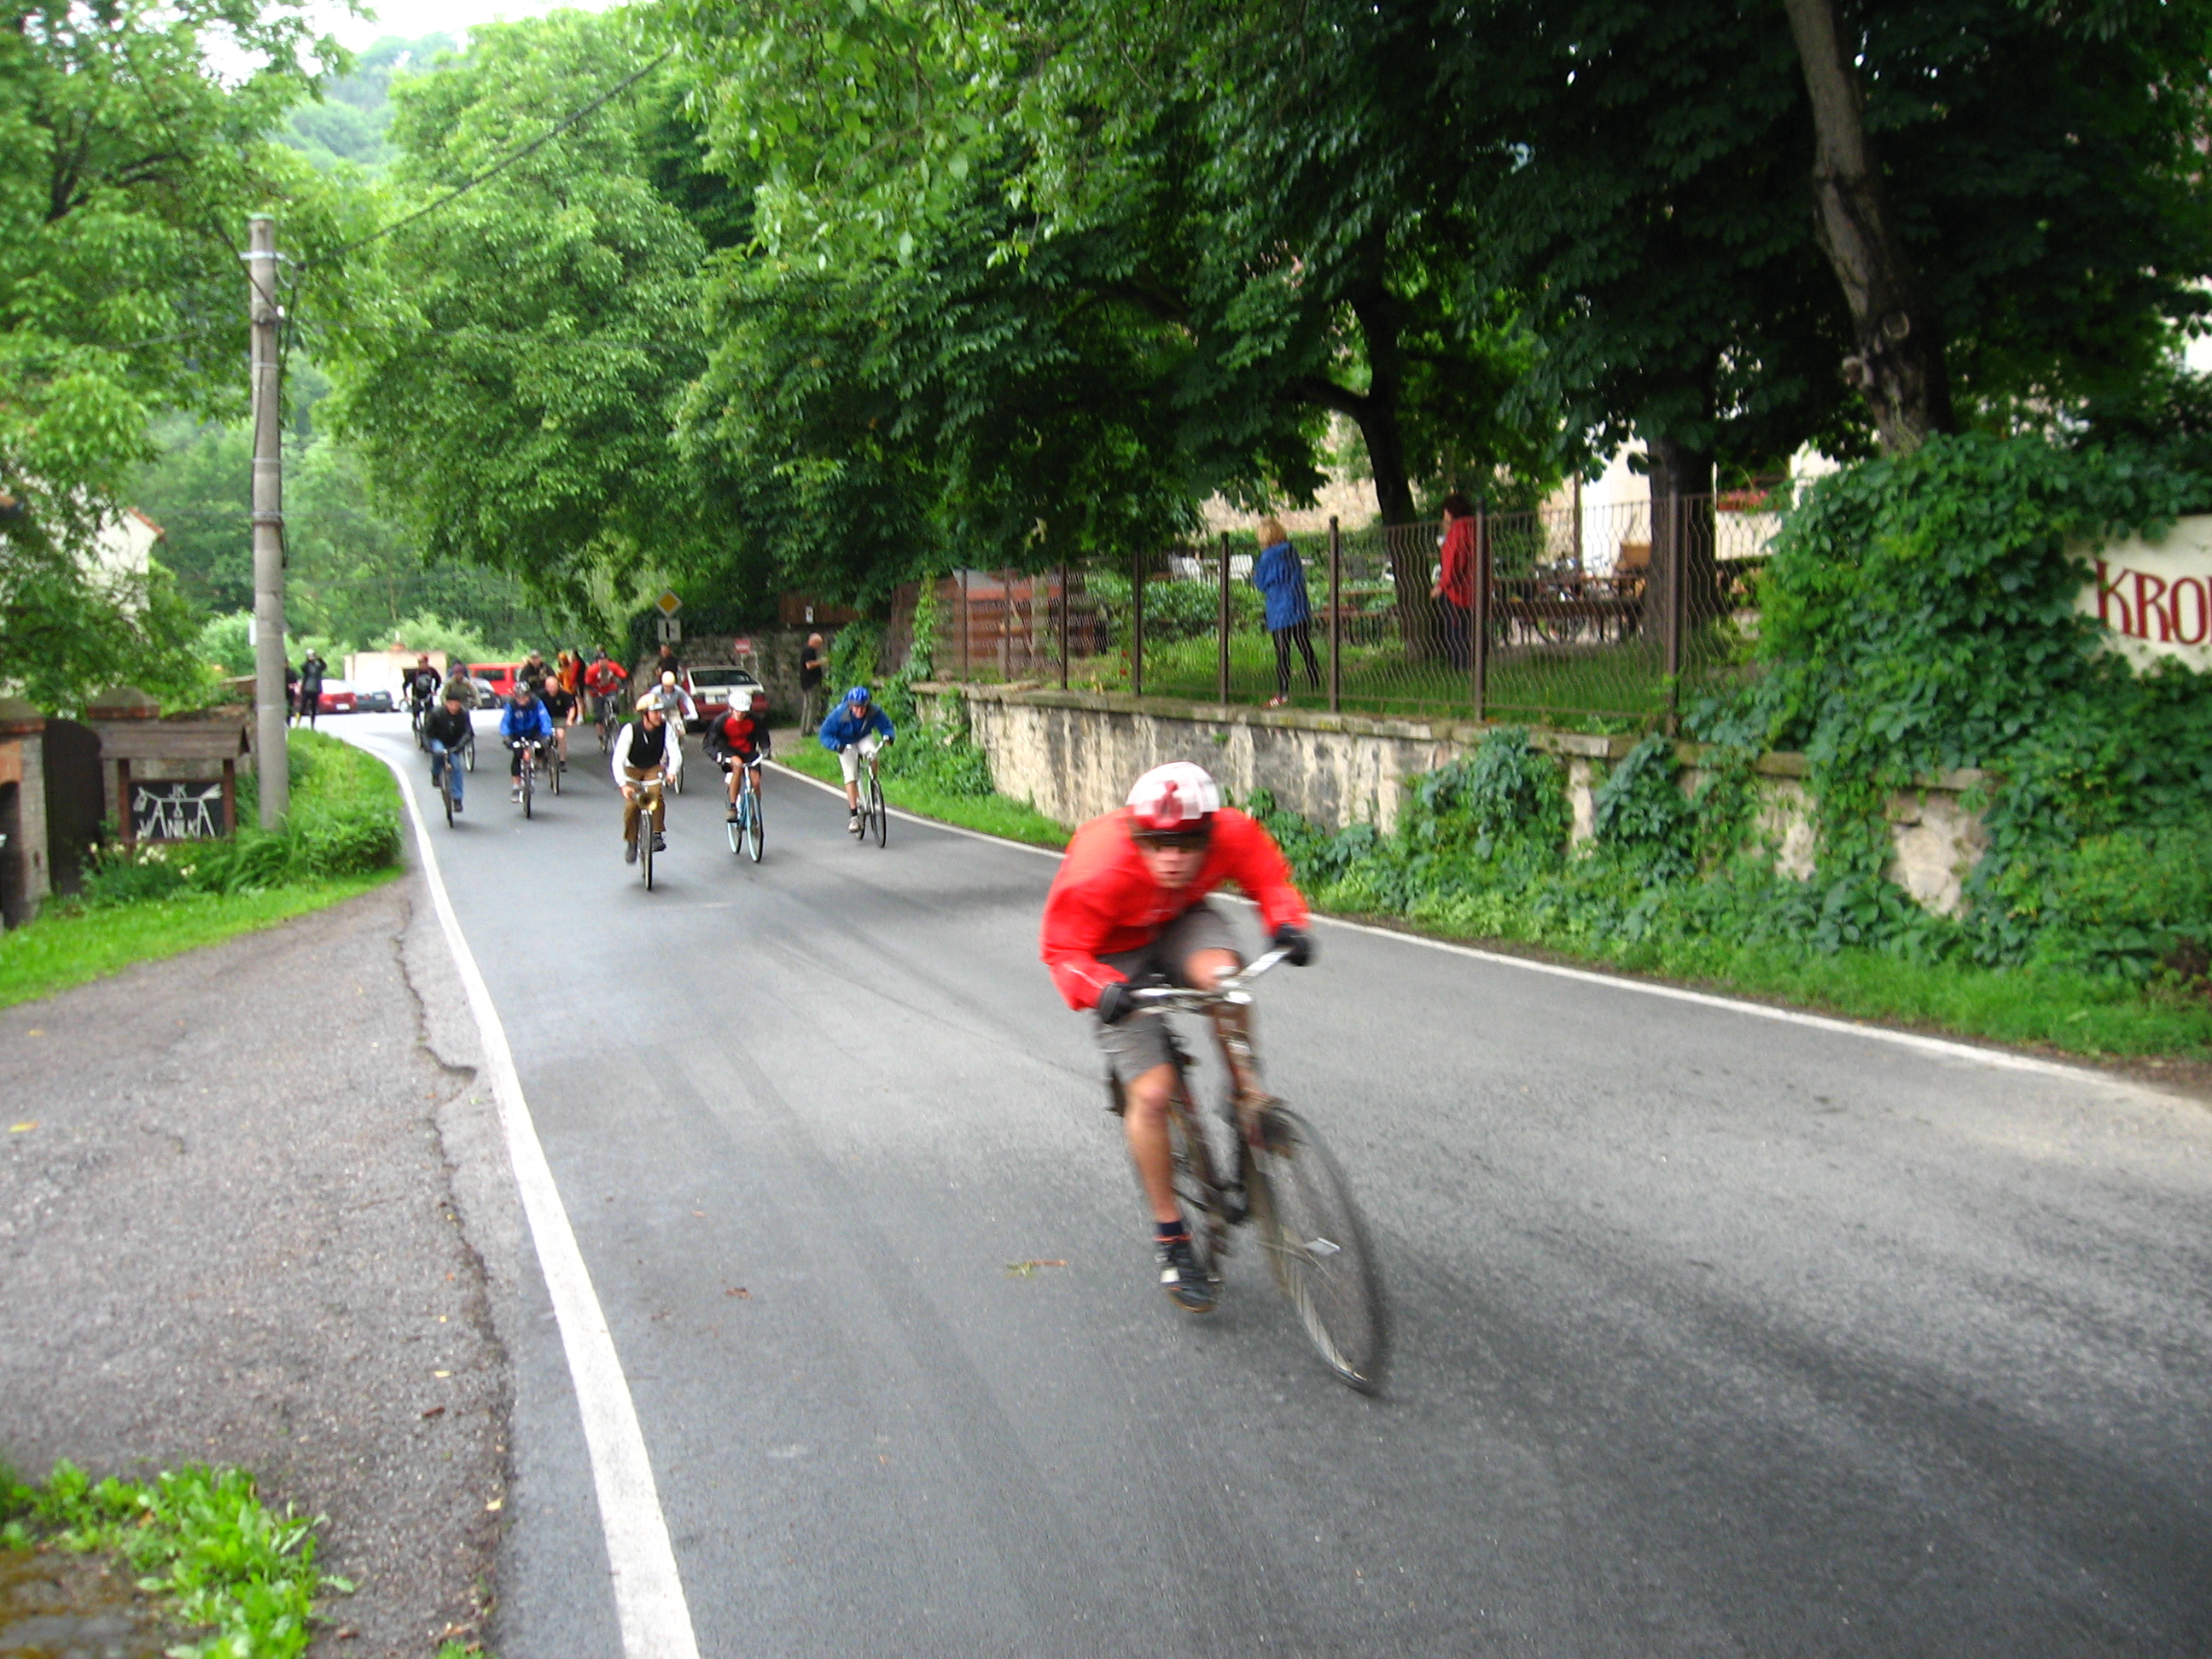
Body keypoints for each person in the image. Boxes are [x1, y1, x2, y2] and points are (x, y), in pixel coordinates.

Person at [1039, 761, 1313, 1312]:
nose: (1172, 857)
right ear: (1135, 833)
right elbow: (1063, 951)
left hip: (1182, 919)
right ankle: (1172, 1237)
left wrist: (1287, 922)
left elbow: (1270, 881)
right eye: (1156, 843)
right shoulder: (1098, 865)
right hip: (1112, 952)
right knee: (1153, 1092)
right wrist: (1100, 989)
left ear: (1208, 834)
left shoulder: (1231, 832)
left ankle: (1246, 1096)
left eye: (1187, 844)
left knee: (1228, 984)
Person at [1253, 517, 1320, 707]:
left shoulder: (1267, 557)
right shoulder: (1292, 551)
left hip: (1278, 608)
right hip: (1298, 604)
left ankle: (1283, 693)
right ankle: (1316, 682)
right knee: (1304, 644)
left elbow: (1260, 583)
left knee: (1283, 651)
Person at [610, 691, 682, 862]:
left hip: (653, 767)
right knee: (632, 806)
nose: (659, 715)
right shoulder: (630, 730)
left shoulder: (665, 728)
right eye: (655, 712)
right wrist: (623, 784)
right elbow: (618, 759)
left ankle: (656, 834)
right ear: (645, 715)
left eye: (660, 711)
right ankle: (632, 842)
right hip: (632, 769)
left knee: (655, 795)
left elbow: (675, 752)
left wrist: (672, 772)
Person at [818, 684, 894, 832]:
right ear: (850, 705)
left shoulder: (874, 711)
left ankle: (873, 782)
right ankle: (854, 817)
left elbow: (886, 725)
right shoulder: (839, 714)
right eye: (856, 707)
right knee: (850, 775)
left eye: (863, 707)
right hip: (845, 743)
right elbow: (825, 734)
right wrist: (836, 745)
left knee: (873, 752)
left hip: (863, 737)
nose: (860, 711)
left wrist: (889, 736)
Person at [703, 691, 772, 823]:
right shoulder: (720, 722)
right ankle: (732, 806)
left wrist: (766, 750)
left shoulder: (754, 720)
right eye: (737, 711)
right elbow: (708, 744)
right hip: (729, 751)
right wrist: (717, 756)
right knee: (738, 765)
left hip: (748, 752)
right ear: (730, 709)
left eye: (743, 712)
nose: (740, 715)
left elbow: (763, 736)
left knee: (755, 782)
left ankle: (754, 809)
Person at [1432, 492, 1477, 672]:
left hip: (1457, 592)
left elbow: (1454, 561)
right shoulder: (1477, 528)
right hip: (1476, 590)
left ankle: (1461, 668)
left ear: (1450, 512)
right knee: (1471, 631)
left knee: (1456, 633)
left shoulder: (1458, 531)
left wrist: (1441, 586)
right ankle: (1475, 668)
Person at [499, 682, 555, 800]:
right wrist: (506, 737)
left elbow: (545, 719)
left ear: (529, 695)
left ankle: (538, 764)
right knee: (517, 755)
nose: (522, 700)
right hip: (517, 733)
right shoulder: (511, 705)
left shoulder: (537, 703)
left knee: (541, 746)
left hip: (534, 731)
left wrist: (546, 735)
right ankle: (516, 786)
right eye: (519, 697)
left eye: (524, 697)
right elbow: (506, 722)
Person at [422, 684, 473, 812]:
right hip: (438, 739)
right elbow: (426, 732)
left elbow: (468, 732)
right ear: (446, 703)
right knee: (438, 752)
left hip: (454, 743)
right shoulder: (436, 713)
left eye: (456, 704)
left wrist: (460, 746)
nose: (454, 707)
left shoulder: (463, 714)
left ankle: (457, 799)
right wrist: (427, 746)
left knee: (456, 767)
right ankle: (435, 773)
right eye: (451, 704)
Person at [539, 672, 579, 770]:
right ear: (546, 687)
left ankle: (562, 760)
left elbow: (571, 708)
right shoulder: (541, 696)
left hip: (559, 718)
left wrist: (569, 719)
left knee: (561, 735)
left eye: (554, 686)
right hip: (545, 718)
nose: (552, 689)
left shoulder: (565, 695)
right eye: (550, 686)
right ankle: (542, 756)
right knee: (542, 736)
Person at [582, 649, 628, 729]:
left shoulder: (613, 666)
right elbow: (588, 684)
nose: (603, 662)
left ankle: (613, 717)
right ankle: (600, 733)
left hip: (610, 689)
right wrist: (595, 691)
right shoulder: (592, 670)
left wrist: (623, 687)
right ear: (597, 662)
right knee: (599, 715)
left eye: (605, 660)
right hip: (597, 691)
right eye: (601, 660)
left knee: (615, 703)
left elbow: (623, 676)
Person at [401, 654, 443, 722]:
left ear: (427, 663)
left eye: (424, 663)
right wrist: (406, 695)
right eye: (420, 663)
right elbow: (405, 685)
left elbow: (438, 680)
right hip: (416, 695)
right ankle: (415, 722)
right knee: (416, 711)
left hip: (427, 695)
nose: (422, 665)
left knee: (429, 712)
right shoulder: (414, 673)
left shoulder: (431, 671)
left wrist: (435, 690)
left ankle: (428, 724)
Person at [798, 632, 826, 731]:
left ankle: (804, 728)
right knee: (812, 706)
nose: (819, 646)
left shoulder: (806, 650)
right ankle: (808, 729)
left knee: (807, 706)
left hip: (805, 681)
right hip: (812, 681)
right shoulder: (810, 651)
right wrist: (822, 661)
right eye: (819, 644)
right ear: (814, 642)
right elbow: (809, 665)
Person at [297, 649, 328, 729]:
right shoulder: (306, 666)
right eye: (310, 655)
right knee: (302, 707)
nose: (312, 657)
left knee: (313, 709)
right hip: (306, 690)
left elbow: (324, 666)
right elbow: (302, 667)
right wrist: (308, 660)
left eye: (313, 655)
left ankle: (312, 725)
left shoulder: (317, 666)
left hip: (315, 690)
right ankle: (297, 724)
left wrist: (319, 659)